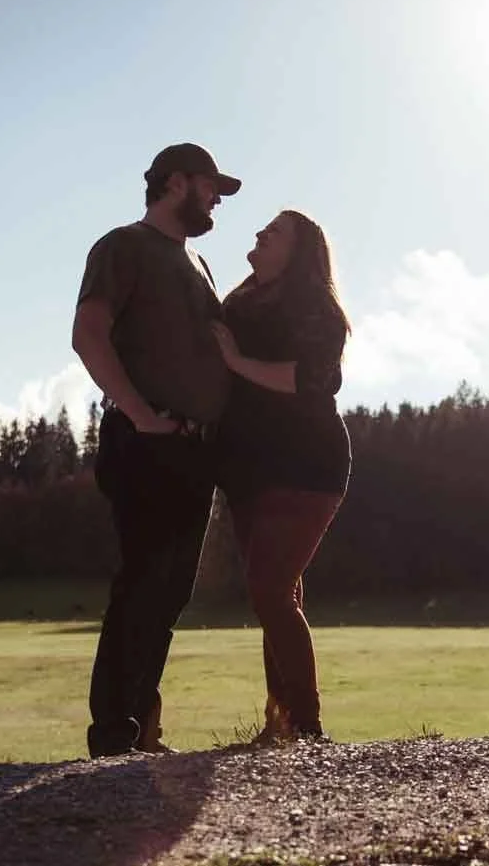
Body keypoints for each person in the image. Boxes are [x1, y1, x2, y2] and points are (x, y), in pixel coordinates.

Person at [71, 141, 241, 757]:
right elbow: (88, 334)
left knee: (169, 594)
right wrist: (142, 416)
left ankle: (137, 730)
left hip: (195, 452)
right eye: (210, 186)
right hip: (148, 442)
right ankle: (114, 736)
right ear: (175, 183)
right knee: (144, 583)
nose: (217, 198)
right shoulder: (123, 246)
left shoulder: (198, 264)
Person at [213, 208, 352, 742]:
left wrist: (236, 362)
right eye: (262, 229)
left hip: (306, 464)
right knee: (278, 594)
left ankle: (306, 725)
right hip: (249, 467)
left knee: (269, 589)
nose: (260, 234)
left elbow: (315, 380)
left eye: (274, 232)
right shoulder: (239, 302)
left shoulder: (318, 309)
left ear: (298, 252)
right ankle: (280, 724)